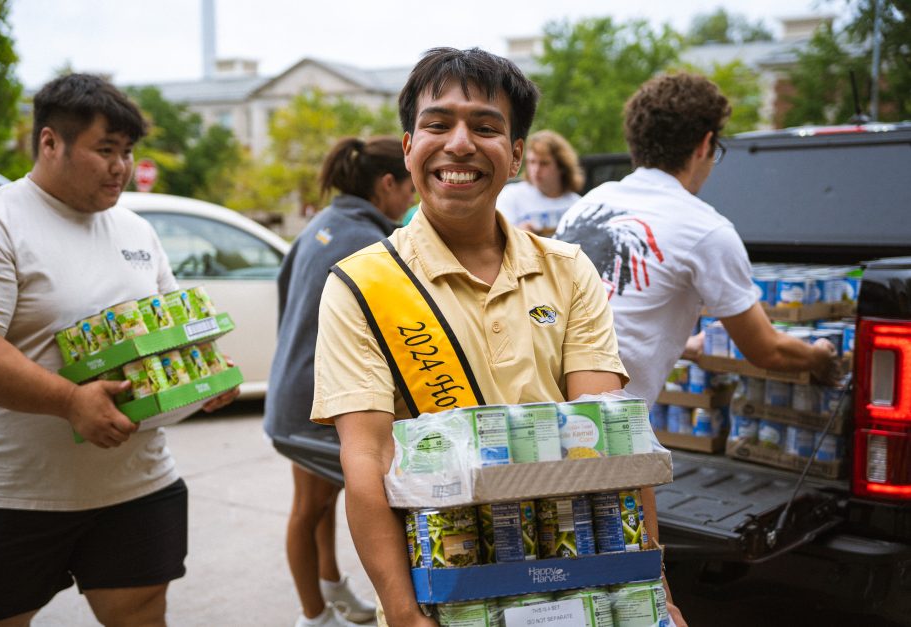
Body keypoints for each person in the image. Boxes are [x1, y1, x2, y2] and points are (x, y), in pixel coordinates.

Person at [310, 48, 684, 627]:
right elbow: (368, 458)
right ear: (408, 148)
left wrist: (653, 590)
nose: (460, 143)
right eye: (437, 124)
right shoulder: (359, 284)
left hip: (576, 585)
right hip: (446, 591)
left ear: (513, 157)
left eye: (485, 127)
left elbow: (610, 442)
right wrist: (406, 615)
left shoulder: (568, 269)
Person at [0, 74, 238, 625]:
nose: (120, 166)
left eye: (128, 151)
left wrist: (208, 373)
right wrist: (72, 401)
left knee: (142, 616)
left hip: (137, 485)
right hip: (12, 493)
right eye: (105, 150)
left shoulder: (137, 230)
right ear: (50, 143)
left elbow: (173, 326)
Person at [555, 72, 839, 407]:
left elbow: (605, 313)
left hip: (537, 412)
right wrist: (821, 358)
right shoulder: (705, 229)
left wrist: (683, 345)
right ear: (704, 145)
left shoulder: (589, 203)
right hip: (604, 431)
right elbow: (768, 350)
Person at [264, 136, 415, 627]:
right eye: (410, 186)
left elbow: (285, 297)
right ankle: (314, 616)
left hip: (294, 391)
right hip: (318, 400)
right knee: (311, 508)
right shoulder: (366, 241)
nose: (413, 199)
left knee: (318, 503)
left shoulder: (322, 226)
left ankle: (331, 587)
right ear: (387, 183)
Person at [496, 129, 583, 235]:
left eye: (544, 163)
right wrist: (517, 234)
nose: (536, 169)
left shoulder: (578, 204)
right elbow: (496, 237)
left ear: (562, 166)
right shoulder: (511, 195)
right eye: (532, 162)